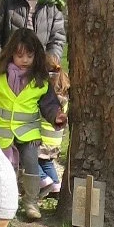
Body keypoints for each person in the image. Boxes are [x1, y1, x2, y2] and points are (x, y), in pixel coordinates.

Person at [0, 31, 63, 222]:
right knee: (2, 168)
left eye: (29, 55)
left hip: (28, 133)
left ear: (36, 56)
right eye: (19, 55)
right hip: (1, 132)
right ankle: (4, 202)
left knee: (31, 166)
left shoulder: (40, 80)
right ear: (10, 54)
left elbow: (49, 104)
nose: (24, 60)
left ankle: (31, 203)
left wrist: (56, 117)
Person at [38, 66, 70, 198]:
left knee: (30, 161)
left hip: (43, 138)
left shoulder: (47, 100)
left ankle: (44, 180)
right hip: (56, 140)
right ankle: (56, 186)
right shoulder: (65, 100)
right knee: (47, 162)